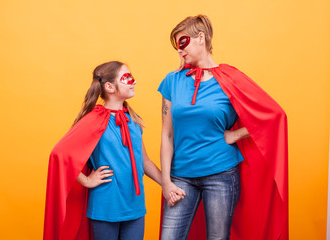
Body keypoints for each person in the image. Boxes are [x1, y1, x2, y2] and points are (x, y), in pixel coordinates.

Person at [158, 15, 288, 240]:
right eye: (176, 46)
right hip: (181, 177)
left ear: (201, 38)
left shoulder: (230, 79)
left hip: (221, 174)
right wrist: (166, 181)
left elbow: (272, 116)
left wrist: (234, 135)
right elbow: (167, 134)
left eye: (183, 43)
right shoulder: (172, 80)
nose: (179, 51)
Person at [44, 61, 162, 240]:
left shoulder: (133, 120)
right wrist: (86, 180)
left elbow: (144, 161)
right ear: (109, 87)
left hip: (135, 207)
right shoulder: (94, 120)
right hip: (105, 207)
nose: (134, 81)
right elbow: (60, 154)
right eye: (127, 77)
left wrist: (167, 184)